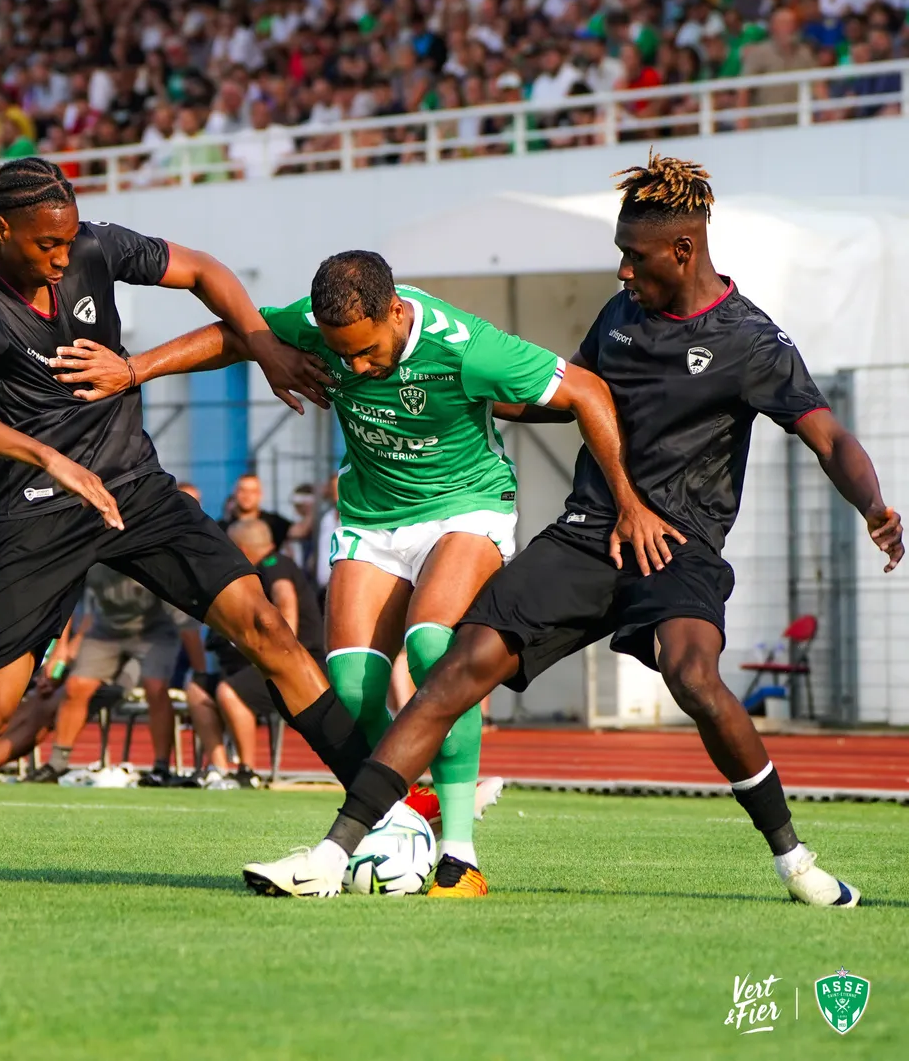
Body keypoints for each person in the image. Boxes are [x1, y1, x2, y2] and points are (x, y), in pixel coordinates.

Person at [243, 154, 903, 906]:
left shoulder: (751, 341)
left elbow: (828, 436)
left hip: (675, 547)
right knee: (456, 663)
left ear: (683, 251)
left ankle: (795, 862)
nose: (622, 271)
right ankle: (335, 853)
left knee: (693, 677)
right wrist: (476, 396)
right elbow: (565, 393)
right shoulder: (619, 316)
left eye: (635, 256)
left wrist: (873, 505)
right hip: (587, 534)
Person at [0, 157, 370, 893]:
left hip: (135, 487)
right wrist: (47, 454)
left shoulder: (94, 246)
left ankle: (389, 800)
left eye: (70, 238)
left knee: (264, 625)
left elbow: (203, 270)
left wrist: (262, 345)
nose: (63, 255)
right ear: (1, 228)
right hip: (35, 513)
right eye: (47, 244)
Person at [53, 251, 674, 896]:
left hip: (464, 507)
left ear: (397, 313)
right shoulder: (321, 323)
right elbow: (236, 334)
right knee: (349, 686)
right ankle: (405, 817)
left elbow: (587, 391)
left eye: (366, 353)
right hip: (371, 518)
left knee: (434, 648)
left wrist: (628, 504)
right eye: (340, 354)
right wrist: (136, 371)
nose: (353, 367)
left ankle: (461, 855)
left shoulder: (467, 348)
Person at [26, 562, 201, 787]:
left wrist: (201, 671)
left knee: (155, 687)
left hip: (155, 632)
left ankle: (161, 767)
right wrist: (63, 647)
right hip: (106, 631)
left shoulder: (157, 564)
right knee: (76, 685)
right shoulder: (94, 560)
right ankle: (57, 763)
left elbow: (187, 626)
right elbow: (67, 597)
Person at [186, 517, 326, 789]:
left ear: (240, 546)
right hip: (248, 665)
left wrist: (283, 654)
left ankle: (247, 770)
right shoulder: (249, 572)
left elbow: (285, 599)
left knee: (230, 692)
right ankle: (218, 769)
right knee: (197, 690)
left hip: (296, 665)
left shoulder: (275, 565)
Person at [219, 473, 291, 552]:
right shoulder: (221, 528)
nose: (247, 495)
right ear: (235, 493)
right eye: (243, 490)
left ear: (260, 494)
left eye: (253, 491)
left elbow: (298, 531)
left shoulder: (274, 523)